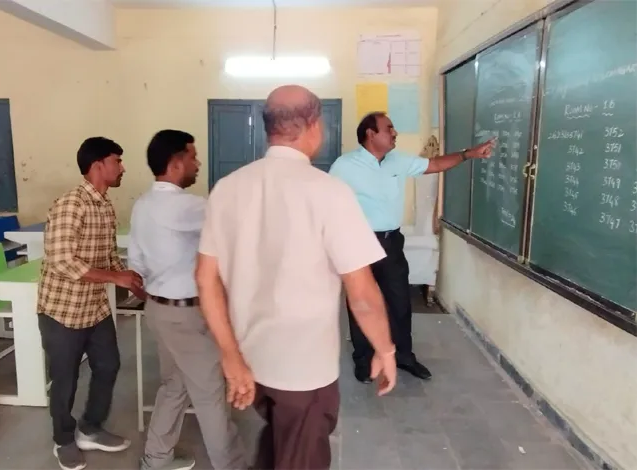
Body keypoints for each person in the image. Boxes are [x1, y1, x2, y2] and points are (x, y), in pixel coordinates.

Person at [195, 85, 398, 470]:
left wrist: (231, 357)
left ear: (269, 127)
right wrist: (385, 350)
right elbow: (362, 294)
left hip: (252, 363)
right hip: (304, 372)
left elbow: (206, 281)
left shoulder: (227, 189)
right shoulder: (329, 193)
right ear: (313, 125)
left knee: (277, 446)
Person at [329, 112, 495, 383]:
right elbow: (328, 202)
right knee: (362, 300)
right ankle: (363, 359)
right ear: (371, 134)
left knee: (400, 301)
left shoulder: (398, 160)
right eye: (389, 128)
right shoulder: (344, 166)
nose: (394, 133)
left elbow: (435, 164)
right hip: (359, 243)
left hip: (391, 242)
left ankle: (404, 356)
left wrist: (469, 154)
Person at [129, 130, 247, 470]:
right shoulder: (185, 206)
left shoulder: (142, 205)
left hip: (159, 309)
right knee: (210, 395)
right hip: (186, 316)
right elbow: (235, 222)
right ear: (176, 162)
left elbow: (136, 263)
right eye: (193, 157)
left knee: (175, 385)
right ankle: (232, 465)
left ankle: (156, 458)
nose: (198, 164)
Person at [37, 137, 146, 470]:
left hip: (94, 308)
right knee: (65, 379)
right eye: (117, 160)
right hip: (62, 310)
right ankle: (63, 439)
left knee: (108, 365)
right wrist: (115, 278)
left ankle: (90, 428)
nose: (123, 167)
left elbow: (108, 255)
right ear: (98, 165)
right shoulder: (71, 204)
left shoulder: (105, 205)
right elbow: (62, 261)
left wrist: (132, 280)